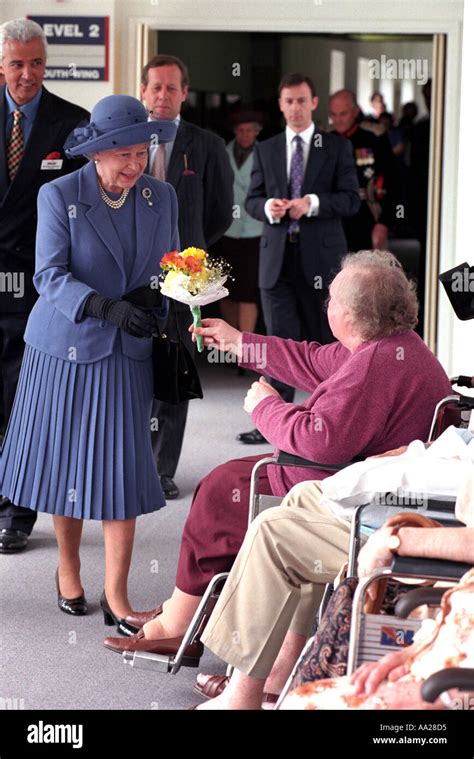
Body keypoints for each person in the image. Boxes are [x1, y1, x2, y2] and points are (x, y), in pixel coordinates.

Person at [102, 250, 452, 660]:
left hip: (342, 484)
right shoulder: (390, 346)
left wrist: (265, 406)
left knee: (220, 491)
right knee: (224, 483)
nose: (327, 305)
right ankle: (188, 613)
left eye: (333, 300)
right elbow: (308, 359)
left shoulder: (376, 364)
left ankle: (180, 625)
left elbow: (319, 439)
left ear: (354, 315)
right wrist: (239, 342)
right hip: (364, 477)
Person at [0, 95, 179, 632]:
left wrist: (163, 300)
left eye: (140, 152)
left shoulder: (161, 196)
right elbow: (49, 276)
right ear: (96, 153)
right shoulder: (59, 194)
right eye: (121, 154)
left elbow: (170, 263)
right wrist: (104, 306)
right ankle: (68, 568)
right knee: (70, 468)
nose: (133, 164)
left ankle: (117, 595)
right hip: (66, 350)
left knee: (121, 469)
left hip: (129, 352)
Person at [191, 494, 473, 710]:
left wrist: (396, 540)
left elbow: (327, 443)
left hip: (453, 672)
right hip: (450, 632)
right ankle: (275, 671)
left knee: (271, 529)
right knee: (300, 496)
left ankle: (243, 693)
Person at [0, 18, 89, 553]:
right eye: (17, 63)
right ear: (1, 65)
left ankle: (16, 508)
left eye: (36, 63)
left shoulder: (72, 123)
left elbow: (83, 215)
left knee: (22, 402)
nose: (27, 74)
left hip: (39, 285)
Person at [238, 72, 360, 445]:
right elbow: (251, 201)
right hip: (276, 261)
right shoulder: (267, 147)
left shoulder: (336, 147)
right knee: (279, 344)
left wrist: (313, 203)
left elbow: (351, 200)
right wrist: (270, 208)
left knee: (328, 342)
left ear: (314, 103)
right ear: (280, 105)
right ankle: (273, 419)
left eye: (301, 101)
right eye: (288, 101)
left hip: (321, 264)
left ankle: (334, 418)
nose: (295, 108)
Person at [141, 53, 234, 500]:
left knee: (174, 368)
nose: (162, 95)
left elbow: (219, 214)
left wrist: (190, 249)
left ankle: (161, 469)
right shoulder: (125, 140)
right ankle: (129, 460)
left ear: (184, 93)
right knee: (129, 367)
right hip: (131, 272)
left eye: (171, 88)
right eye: (155, 87)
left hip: (185, 274)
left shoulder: (208, 145)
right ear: (143, 92)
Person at [281, 568, 474, 710]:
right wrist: (409, 653)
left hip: (453, 688)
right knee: (298, 701)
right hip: (437, 666)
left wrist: (449, 697)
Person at [213, 110, 263, 335]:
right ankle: (231, 342)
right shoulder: (222, 153)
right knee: (226, 290)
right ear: (235, 131)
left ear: (256, 132)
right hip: (227, 230)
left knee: (248, 291)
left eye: (250, 130)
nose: (245, 134)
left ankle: (246, 349)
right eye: (241, 130)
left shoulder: (266, 153)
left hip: (255, 230)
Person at [329, 89, 398, 252]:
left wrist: (384, 222)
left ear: (355, 112)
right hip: (333, 219)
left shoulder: (373, 137)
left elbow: (393, 180)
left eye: (343, 114)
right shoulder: (323, 141)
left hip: (366, 216)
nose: (337, 120)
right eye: (333, 114)